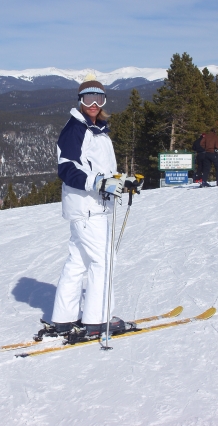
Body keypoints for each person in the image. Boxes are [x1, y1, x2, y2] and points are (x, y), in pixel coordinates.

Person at [50, 75, 142, 339]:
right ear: (80, 101)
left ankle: (64, 319)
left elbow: (100, 171)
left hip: (91, 206)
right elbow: (67, 169)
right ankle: (98, 320)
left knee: (77, 262)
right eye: (88, 98)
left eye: (98, 98)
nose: (93, 103)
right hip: (88, 207)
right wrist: (98, 184)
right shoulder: (75, 129)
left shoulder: (96, 129)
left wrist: (123, 182)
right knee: (104, 261)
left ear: (103, 101)